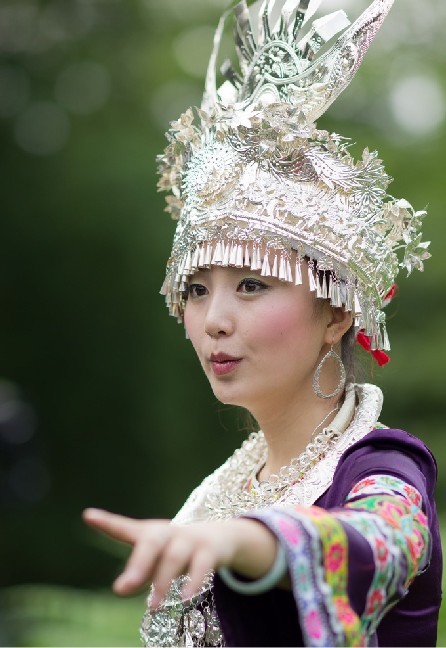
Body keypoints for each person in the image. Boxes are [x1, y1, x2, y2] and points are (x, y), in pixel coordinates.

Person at [83, 0, 442, 645]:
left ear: (336, 312)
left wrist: (249, 540)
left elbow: (383, 540)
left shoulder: (383, 469)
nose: (214, 321)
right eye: (197, 290)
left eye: (252, 284)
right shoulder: (221, 488)